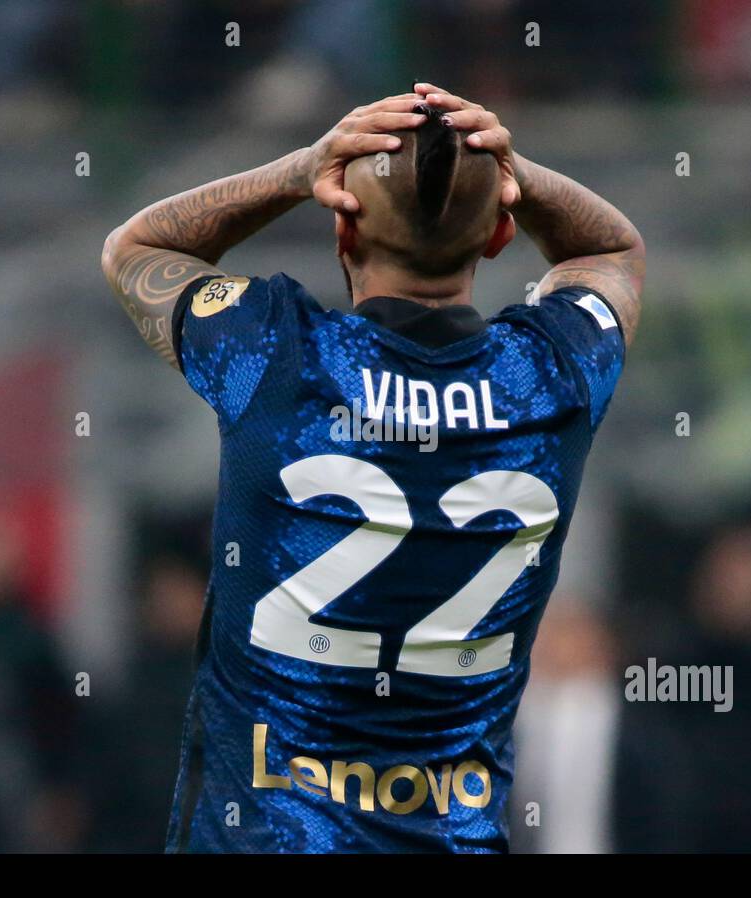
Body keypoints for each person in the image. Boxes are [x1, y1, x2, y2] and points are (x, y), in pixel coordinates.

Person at [101, 83, 644, 852]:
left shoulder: (277, 355)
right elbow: (610, 251)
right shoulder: (550, 374)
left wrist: (298, 169)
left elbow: (136, 250)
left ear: (342, 228)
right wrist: (505, 167)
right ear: (500, 237)